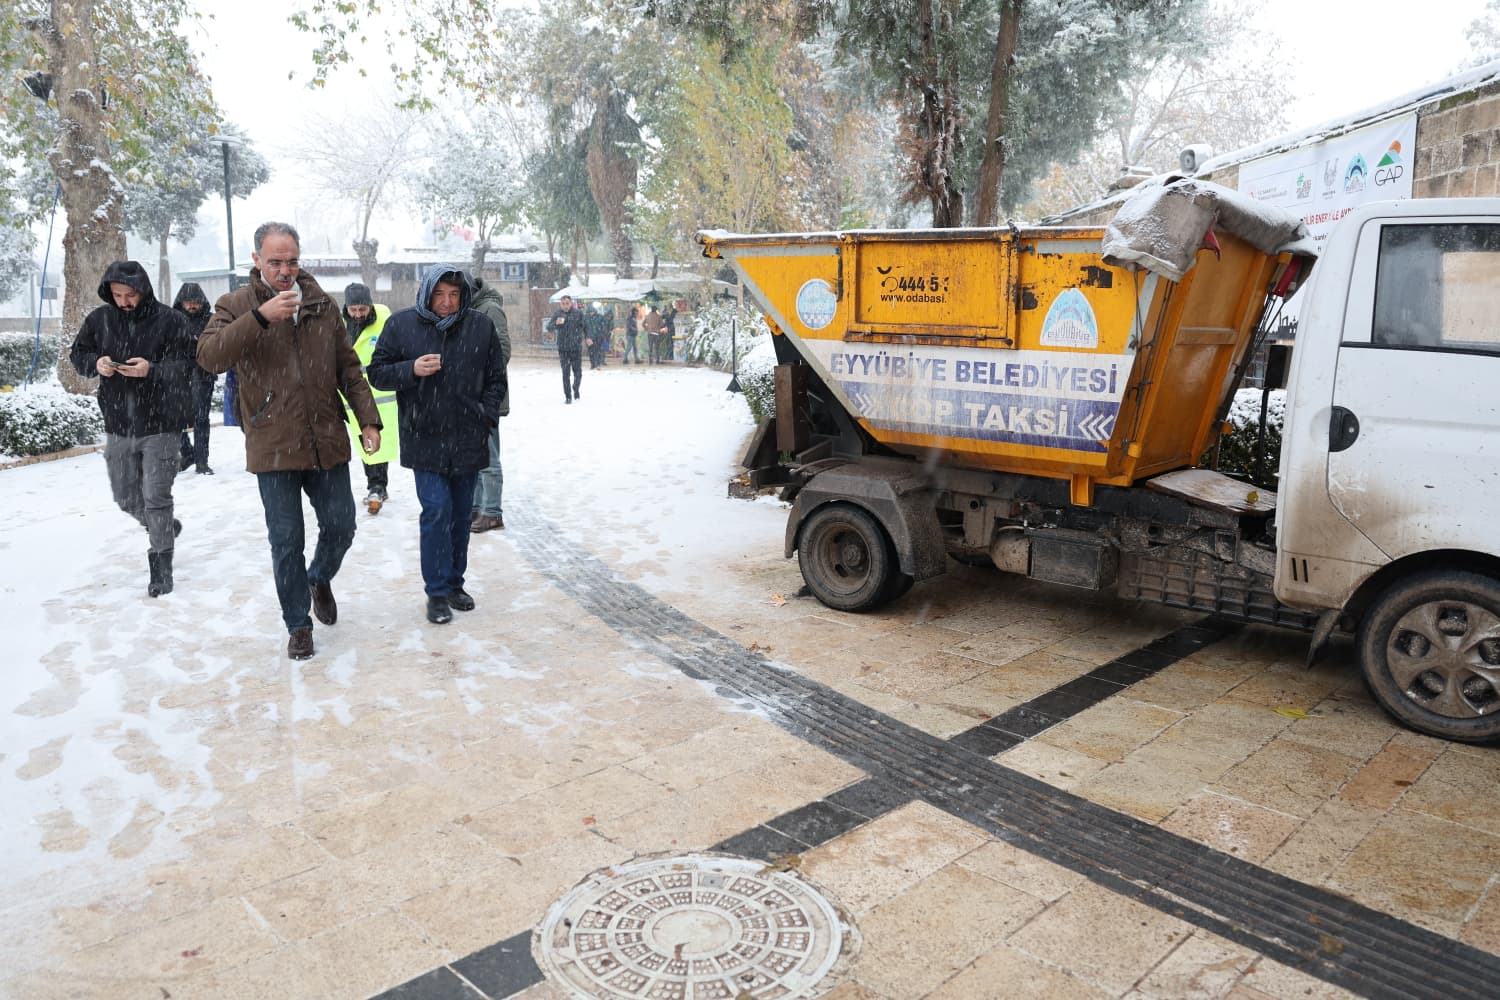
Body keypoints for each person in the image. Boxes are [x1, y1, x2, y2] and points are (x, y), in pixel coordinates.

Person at [197, 222, 382, 661]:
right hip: (272, 442)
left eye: (292, 261)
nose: (284, 271)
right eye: (275, 262)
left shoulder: (320, 303)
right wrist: (261, 318)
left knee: (342, 524)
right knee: (286, 539)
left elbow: (348, 368)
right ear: (257, 260)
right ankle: (298, 625)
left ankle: (318, 577)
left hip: (325, 439)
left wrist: (368, 421)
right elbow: (209, 356)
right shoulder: (235, 304)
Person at [369, 265, 506, 624]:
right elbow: (377, 373)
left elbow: (496, 378)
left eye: (454, 295)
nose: (446, 303)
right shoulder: (401, 325)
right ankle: (436, 594)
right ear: (427, 293)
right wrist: (411, 369)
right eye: (440, 295)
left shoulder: (480, 325)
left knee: (461, 516)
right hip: (424, 438)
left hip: (467, 437)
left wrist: (484, 414)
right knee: (436, 512)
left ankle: (454, 584)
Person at [69, 261, 194, 597]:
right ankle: (164, 527)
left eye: (130, 295)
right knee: (125, 496)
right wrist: (95, 364)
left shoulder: (172, 320)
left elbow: (187, 365)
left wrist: (151, 370)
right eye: (117, 294)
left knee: (156, 495)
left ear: (144, 290)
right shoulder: (100, 319)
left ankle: (161, 565)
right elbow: (78, 353)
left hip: (162, 423)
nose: (123, 301)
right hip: (119, 422)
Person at [340, 283, 399, 515]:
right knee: (363, 440)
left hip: (381, 394)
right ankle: (376, 485)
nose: (358, 314)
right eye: (353, 309)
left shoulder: (386, 322)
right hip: (351, 395)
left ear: (370, 305)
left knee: (376, 440)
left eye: (362, 309)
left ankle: (377, 486)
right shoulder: (339, 326)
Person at [469, 275, 511, 533]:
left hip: (487, 396)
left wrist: (474, 375)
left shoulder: (489, 309)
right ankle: (476, 507)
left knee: (488, 455)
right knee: (474, 455)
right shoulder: (471, 309)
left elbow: (503, 349)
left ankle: (492, 512)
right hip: (470, 397)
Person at [173, 283, 216, 475]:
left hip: (202, 374)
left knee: (201, 419)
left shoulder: (211, 320)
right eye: (188, 302)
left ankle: (201, 461)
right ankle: (187, 453)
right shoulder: (172, 320)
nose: (192, 306)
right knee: (173, 418)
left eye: (195, 303)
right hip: (176, 375)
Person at [551, 294, 587, 403]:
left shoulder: (578, 313)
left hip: (576, 348)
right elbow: (549, 326)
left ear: (571, 303)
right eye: (563, 304)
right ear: (560, 304)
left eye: (567, 303)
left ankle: (576, 388)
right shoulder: (558, 314)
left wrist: (588, 337)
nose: (565, 306)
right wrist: (555, 323)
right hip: (563, 349)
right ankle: (568, 396)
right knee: (565, 374)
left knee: (578, 372)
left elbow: (585, 326)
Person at [585, 302, 609, 370]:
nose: (591, 313)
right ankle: (593, 364)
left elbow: (604, 326)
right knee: (591, 351)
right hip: (589, 337)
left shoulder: (600, 317)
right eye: (590, 312)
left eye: (592, 311)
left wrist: (602, 333)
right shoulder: (586, 318)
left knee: (598, 351)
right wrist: (586, 336)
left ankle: (597, 363)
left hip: (598, 337)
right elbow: (584, 327)